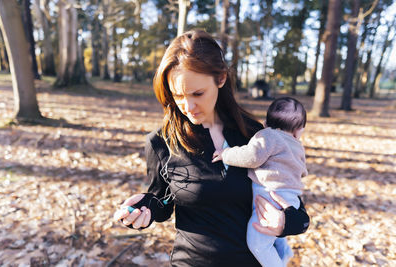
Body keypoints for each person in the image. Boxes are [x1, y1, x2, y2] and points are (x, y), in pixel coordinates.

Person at [113, 29, 309, 267]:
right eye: (178, 95)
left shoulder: (255, 135)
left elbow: (296, 208)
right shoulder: (161, 142)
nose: (188, 106)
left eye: (198, 93)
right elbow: (162, 201)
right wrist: (144, 210)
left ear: (221, 79)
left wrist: (285, 223)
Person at [212, 97, 308, 267]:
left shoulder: (267, 135)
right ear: (299, 130)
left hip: (270, 195)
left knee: (257, 243)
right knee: (273, 233)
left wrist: (226, 154)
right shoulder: (297, 145)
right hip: (291, 199)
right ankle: (283, 251)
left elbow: (251, 156)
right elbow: (302, 171)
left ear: (265, 123)